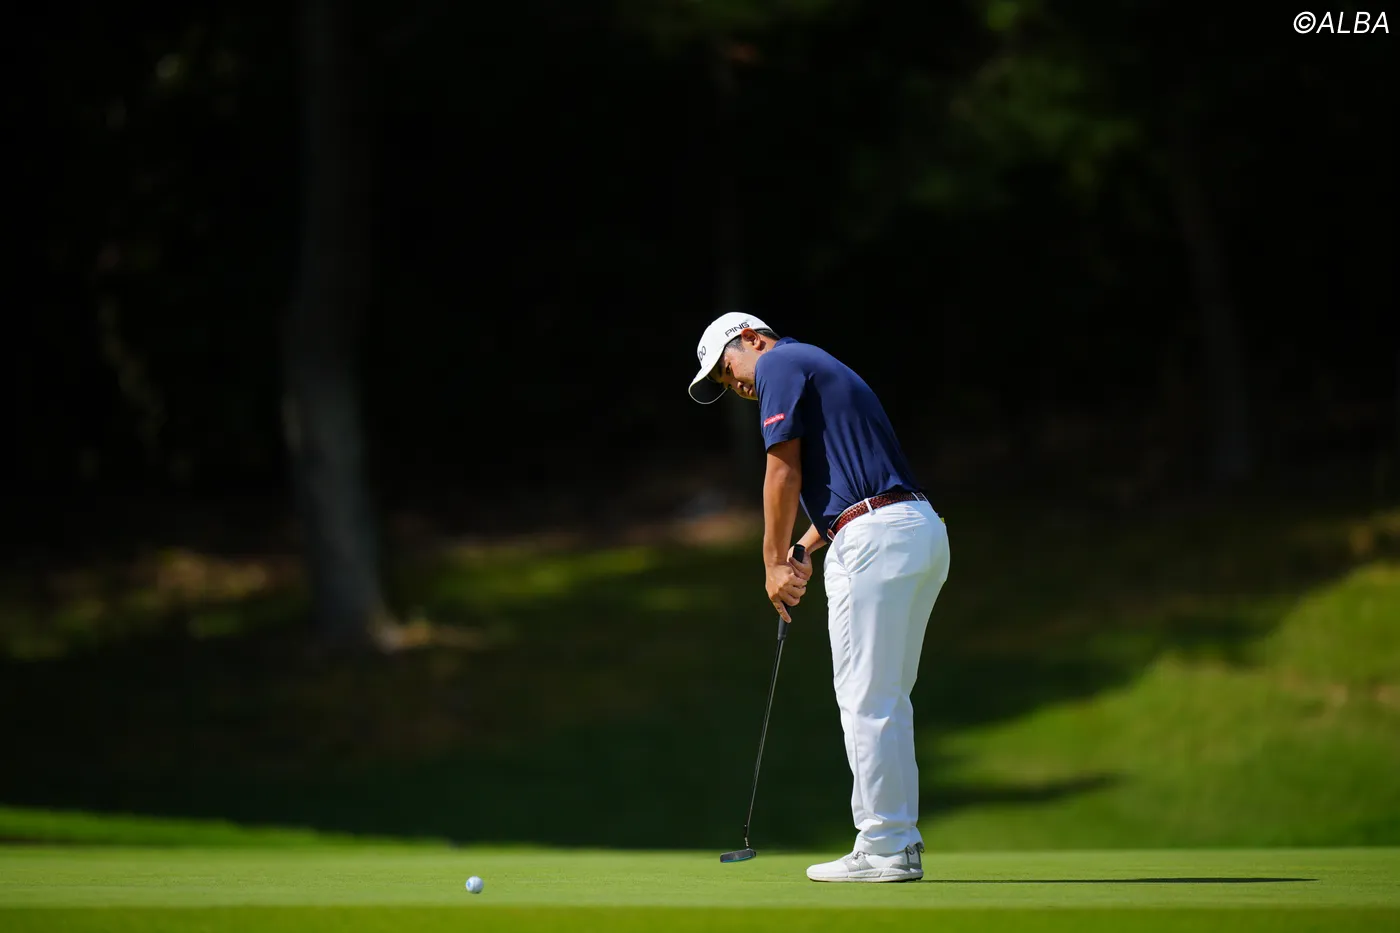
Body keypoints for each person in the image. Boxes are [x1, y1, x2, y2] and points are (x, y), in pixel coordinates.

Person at [687, 311, 951, 883]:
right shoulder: (815, 364)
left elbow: (782, 470)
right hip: (918, 530)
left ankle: (884, 846)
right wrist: (804, 546)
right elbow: (856, 485)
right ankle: (897, 841)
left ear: (750, 339)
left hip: (876, 537)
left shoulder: (778, 363)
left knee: (865, 699)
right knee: (886, 698)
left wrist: (772, 562)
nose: (735, 386)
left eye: (728, 370)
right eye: (725, 384)